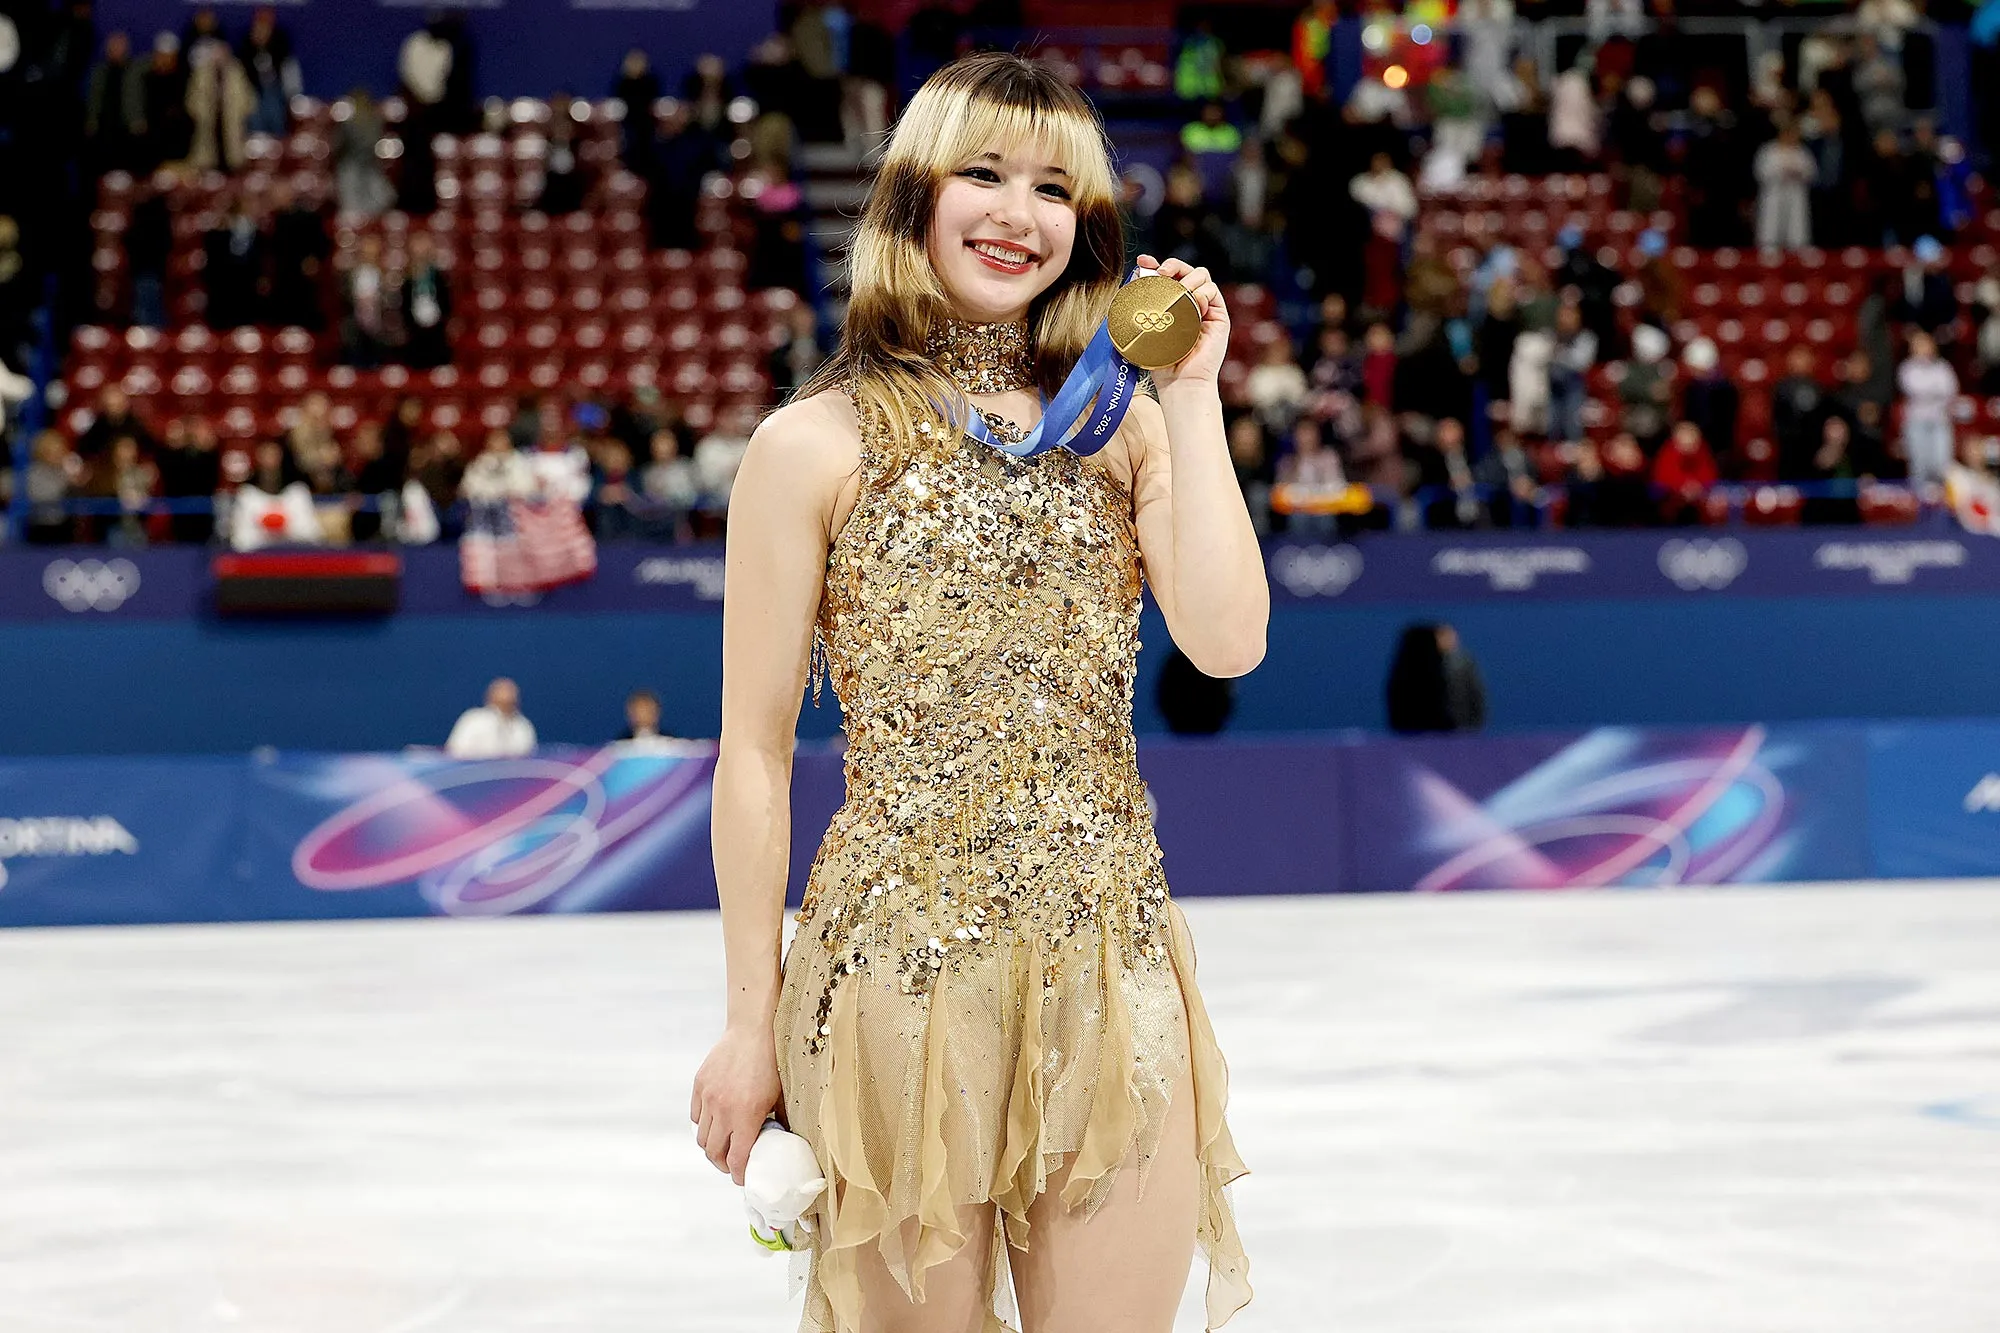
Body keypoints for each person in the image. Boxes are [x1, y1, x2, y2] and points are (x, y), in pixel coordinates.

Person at [688, 52, 1258, 1333]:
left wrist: (1196, 395)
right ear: (911, 197)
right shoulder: (811, 446)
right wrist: (744, 1025)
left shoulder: (1121, 423)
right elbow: (754, 752)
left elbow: (1225, 644)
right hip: (895, 972)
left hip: (1111, 969)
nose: (1017, 212)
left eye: (1055, 188)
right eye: (983, 175)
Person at [1386, 622, 1487, 733]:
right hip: (1416, 733)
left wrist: (1471, 729)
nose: (1452, 639)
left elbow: (1476, 699)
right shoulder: (1410, 667)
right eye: (1441, 635)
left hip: (1458, 732)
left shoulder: (1463, 664)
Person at [1899, 328, 1959, 493]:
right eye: (1919, 344)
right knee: (1919, 465)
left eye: (1926, 343)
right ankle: (1920, 507)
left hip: (1940, 420)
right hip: (1916, 421)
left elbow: (1950, 391)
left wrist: (1930, 394)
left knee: (1942, 463)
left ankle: (1943, 505)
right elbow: (1914, 388)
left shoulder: (1943, 368)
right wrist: (1934, 392)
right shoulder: (1907, 368)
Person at [444, 677, 537, 759]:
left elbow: (528, 758)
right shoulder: (473, 720)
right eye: (502, 702)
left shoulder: (523, 726)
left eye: (511, 701)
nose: (507, 701)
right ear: (489, 698)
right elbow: (455, 752)